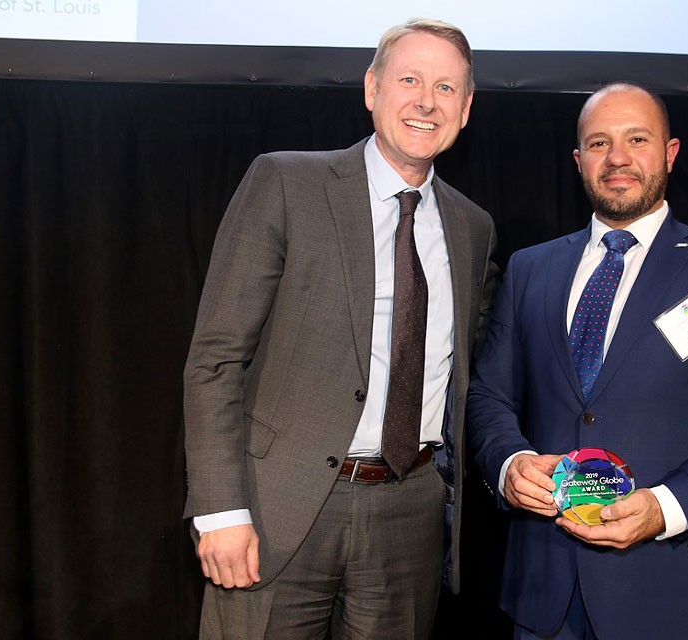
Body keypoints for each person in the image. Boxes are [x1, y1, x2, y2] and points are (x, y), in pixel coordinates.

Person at [183, 18, 497, 639]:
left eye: (446, 88)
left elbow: (465, 374)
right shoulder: (286, 182)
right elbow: (216, 360)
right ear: (371, 88)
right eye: (409, 79)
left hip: (409, 513)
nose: (426, 102)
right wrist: (219, 509)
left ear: (465, 110)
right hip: (277, 506)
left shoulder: (472, 227)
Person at [466, 83, 688, 640]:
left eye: (636, 139)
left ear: (669, 153)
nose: (617, 157)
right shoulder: (531, 269)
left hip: (674, 593)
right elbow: (490, 396)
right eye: (599, 143)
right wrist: (508, 464)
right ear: (578, 162)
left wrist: (666, 508)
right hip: (546, 596)